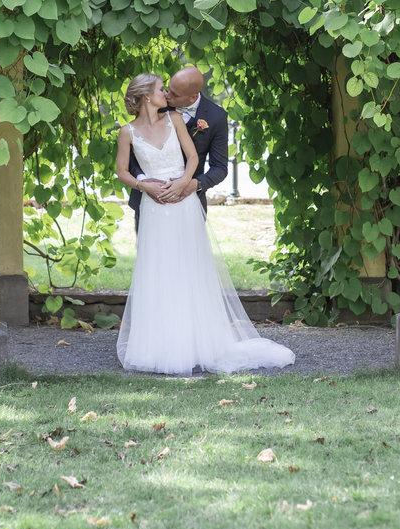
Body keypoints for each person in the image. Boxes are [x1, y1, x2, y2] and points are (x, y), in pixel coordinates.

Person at [114, 72, 295, 376]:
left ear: (190, 96)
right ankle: (157, 345)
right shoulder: (127, 132)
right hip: (153, 206)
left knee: (190, 271)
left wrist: (186, 183)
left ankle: (196, 342)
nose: (167, 95)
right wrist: (146, 185)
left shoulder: (180, 119)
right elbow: (123, 171)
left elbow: (201, 161)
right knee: (156, 271)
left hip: (185, 204)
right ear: (148, 96)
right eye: (163, 90)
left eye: (170, 91)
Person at [126, 65, 229, 230]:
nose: (167, 95)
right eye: (167, 89)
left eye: (174, 94)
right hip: (149, 200)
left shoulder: (217, 118)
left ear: (193, 97)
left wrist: (192, 184)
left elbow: (220, 168)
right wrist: (143, 181)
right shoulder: (155, 103)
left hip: (190, 203)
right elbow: (134, 148)